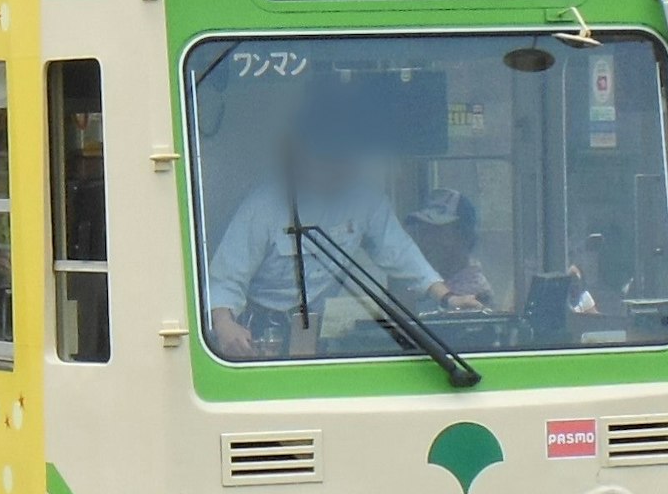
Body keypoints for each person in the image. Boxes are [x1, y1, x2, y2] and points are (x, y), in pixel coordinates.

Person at [201, 85, 480, 358]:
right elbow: (227, 278)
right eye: (329, 155)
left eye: (347, 154)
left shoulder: (365, 199)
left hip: (323, 334)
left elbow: (400, 252)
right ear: (302, 153)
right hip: (263, 334)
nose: (340, 165)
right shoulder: (263, 204)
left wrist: (447, 297)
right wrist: (225, 325)